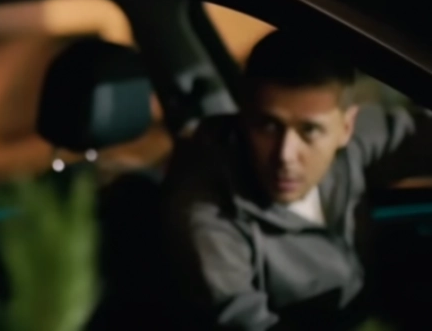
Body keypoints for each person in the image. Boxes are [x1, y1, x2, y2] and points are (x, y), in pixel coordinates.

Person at [162, 30, 432, 330]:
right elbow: (241, 320)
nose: (285, 156)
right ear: (245, 118)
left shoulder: (356, 139)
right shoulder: (207, 210)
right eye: (268, 126)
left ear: (346, 127)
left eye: (309, 131)